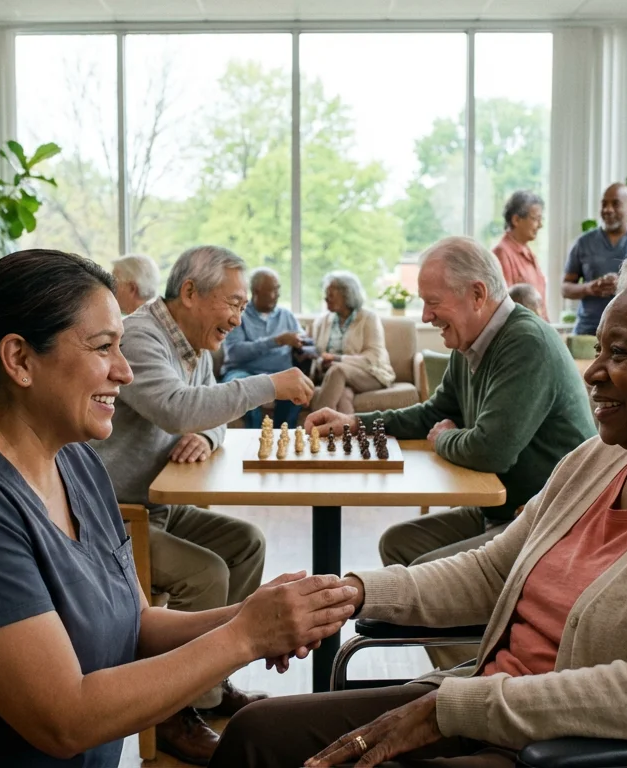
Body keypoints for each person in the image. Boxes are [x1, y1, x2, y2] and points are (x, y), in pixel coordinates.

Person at [216, 247, 627, 768]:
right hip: (490, 712)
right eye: (600, 349)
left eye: (622, 354)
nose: (593, 373)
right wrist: (350, 593)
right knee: (256, 735)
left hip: (575, 753)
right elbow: (492, 569)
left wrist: (449, 710)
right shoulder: (599, 461)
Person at [0, 249, 357, 767]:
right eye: (103, 348)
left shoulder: (76, 461)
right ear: (19, 359)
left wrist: (246, 615)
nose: (126, 371)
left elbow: (136, 625)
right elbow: (64, 718)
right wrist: (246, 636)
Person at [307, 237, 595, 666]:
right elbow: (435, 413)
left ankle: (476, 686)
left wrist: (443, 439)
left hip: (550, 524)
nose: (425, 316)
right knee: (400, 544)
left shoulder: (525, 343)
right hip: (503, 511)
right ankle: (457, 674)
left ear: (478, 294)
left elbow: (490, 451)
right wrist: (355, 425)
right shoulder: (471, 344)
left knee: (424, 569)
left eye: (433, 302)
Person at [90, 244, 315, 763]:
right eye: (232, 304)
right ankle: (172, 711)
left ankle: (209, 689)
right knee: (207, 572)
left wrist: (209, 438)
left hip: (157, 503)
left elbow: (208, 413)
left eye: (241, 307)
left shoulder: (197, 347)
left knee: (246, 544)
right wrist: (269, 385)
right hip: (114, 515)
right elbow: (175, 407)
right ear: (189, 292)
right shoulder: (142, 336)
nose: (238, 319)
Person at [562, 182, 627, 336]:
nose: (608, 209)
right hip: (588, 331)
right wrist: (590, 288)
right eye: (604, 204)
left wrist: (624, 285)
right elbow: (565, 288)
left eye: (615, 204)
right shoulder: (584, 242)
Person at [222, 267, 307, 429]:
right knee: (244, 386)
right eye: (272, 290)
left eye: (278, 289)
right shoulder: (240, 315)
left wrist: (303, 347)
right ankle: (254, 442)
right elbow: (234, 353)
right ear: (256, 291)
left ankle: (282, 441)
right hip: (244, 371)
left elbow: (304, 342)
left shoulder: (286, 316)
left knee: (296, 386)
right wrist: (276, 341)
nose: (278, 294)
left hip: (280, 373)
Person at [308, 271, 396, 414]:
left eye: (331, 295)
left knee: (338, 369)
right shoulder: (322, 321)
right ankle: (347, 434)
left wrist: (337, 359)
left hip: (370, 374)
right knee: (343, 395)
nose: (326, 298)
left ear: (347, 295)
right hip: (336, 378)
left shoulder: (368, 318)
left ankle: (316, 426)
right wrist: (320, 361)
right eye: (326, 294)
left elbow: (373, 356)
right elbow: (317, 354)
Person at [491, 190, 550, 320]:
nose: (540, 225)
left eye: (541, 219)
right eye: (536, 219)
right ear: (516, 219)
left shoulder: (529, 253)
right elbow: (505, 304)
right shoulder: (502, 253)